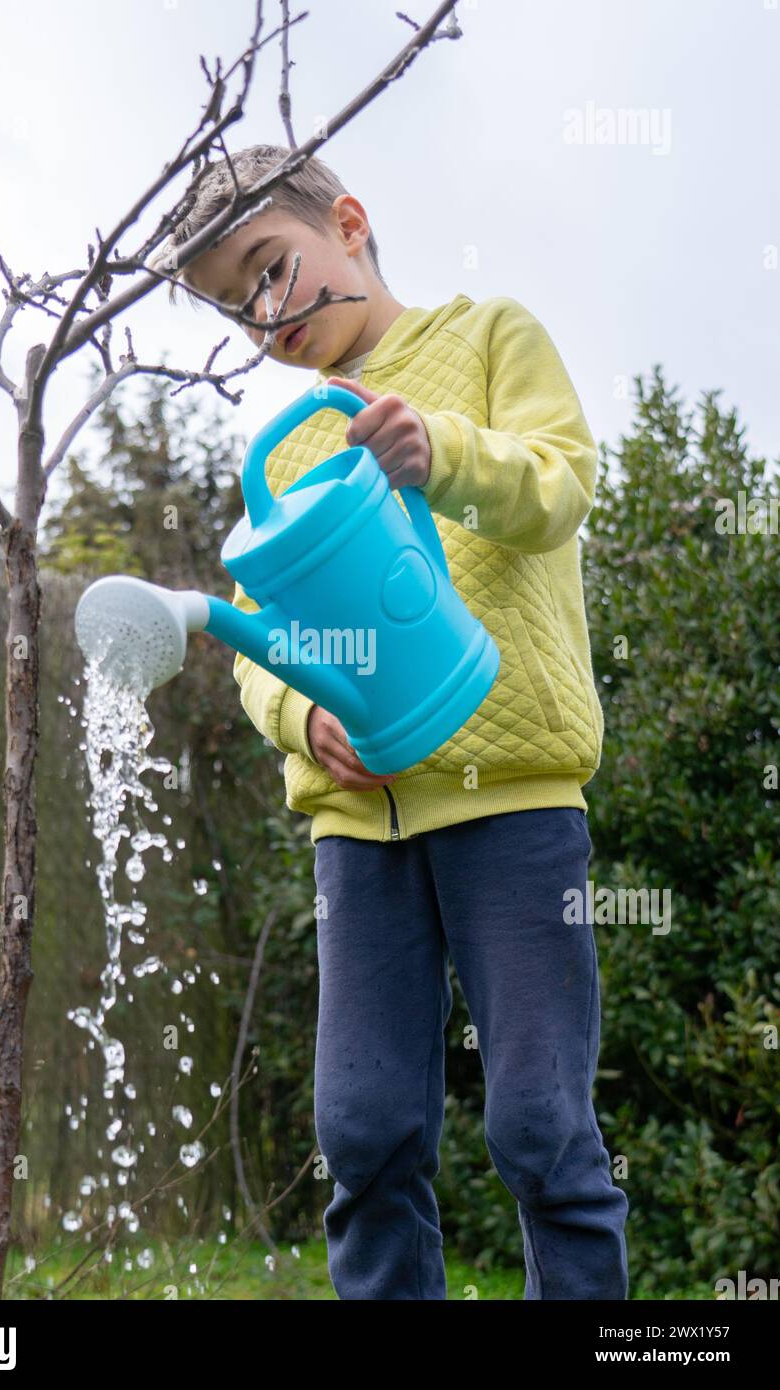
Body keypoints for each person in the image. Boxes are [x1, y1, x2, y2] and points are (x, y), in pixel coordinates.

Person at [151, 144, 630, 1300]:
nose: (263, 319)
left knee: (539, 1123)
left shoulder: (489, 337)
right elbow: (259, 642)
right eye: (234, 307)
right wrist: (303, 714)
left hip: (511, 801)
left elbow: (562, 483)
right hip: (357, 832)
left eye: (271, 271)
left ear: (350, 223)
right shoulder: (291, 445)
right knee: (362, 1132)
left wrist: (443, 452)